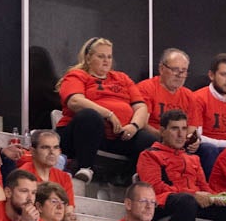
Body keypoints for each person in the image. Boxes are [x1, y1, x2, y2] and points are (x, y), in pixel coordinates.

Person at [57, 37, 154, 185]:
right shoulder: (77, 75)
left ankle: (127, 177)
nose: (106, 60)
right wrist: (108, 114)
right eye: (101, 56)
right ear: (88, 58)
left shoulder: (122, 78)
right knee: (90, 116)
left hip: (117, 135)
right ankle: (85, 167)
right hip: (81, 135)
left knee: (148, 139)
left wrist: (133, 126)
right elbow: (75, 101)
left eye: (109, 56)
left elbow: (141, 107)